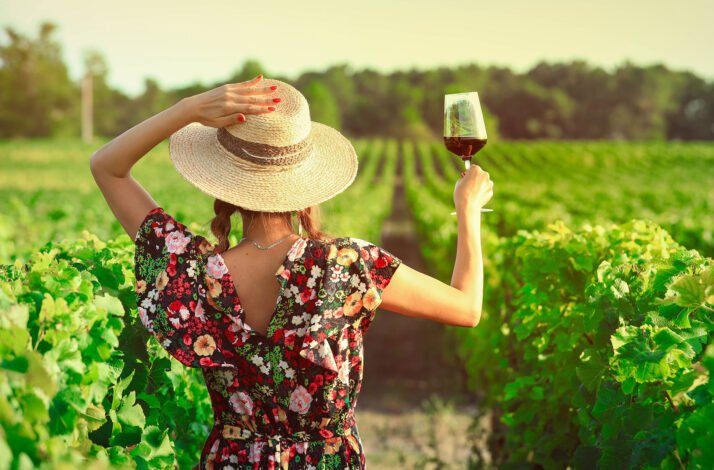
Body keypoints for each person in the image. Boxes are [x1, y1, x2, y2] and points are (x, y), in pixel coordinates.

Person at [90, 75, 493, 469]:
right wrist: (467, 210)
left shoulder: (193, 271)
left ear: (223, 186)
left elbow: (106, 166)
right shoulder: (347, 265)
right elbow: (466, 308)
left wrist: (188, 109)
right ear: (307, 186)